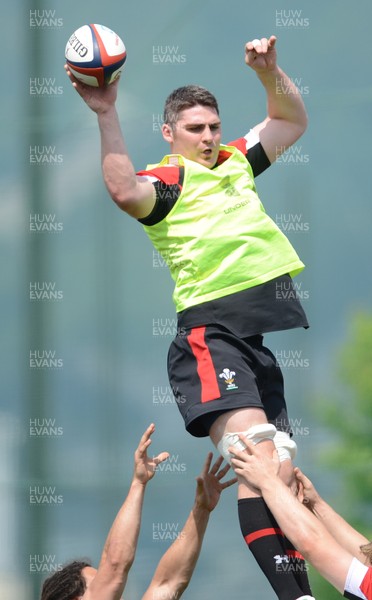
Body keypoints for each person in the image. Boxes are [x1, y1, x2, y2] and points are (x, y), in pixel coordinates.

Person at [65, 34, 313, 600]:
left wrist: (268, 72)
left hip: (253, 338)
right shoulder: (171, 181)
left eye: (213, 126)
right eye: (194, 128)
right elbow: (125, 191)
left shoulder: (235, 161)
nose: (207, 137)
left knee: (279, 474)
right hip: (211, 335)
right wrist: (106, 112)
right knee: (256, 457)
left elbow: (291, 119)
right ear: (170, 134)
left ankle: (298, 592)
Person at [230, 435, 372, 600]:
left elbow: (314, 545)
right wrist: (317, 505)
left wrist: (266, 479)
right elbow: (363, 553)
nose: (362, 570)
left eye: (371, 572)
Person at [40, 423, 236, 600]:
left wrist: (200, 511)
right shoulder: (112, 575)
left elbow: (169, 583)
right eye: (99, 581)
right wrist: (138, 484)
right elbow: (115, 564)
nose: (114, 589)